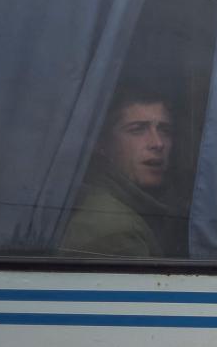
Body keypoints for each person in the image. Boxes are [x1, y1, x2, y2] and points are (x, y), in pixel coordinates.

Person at [59, 84, 189, 258]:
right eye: (137, 130)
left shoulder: (137, 207)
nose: (158, 143)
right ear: (102, 143)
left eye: (165, 130)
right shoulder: (113, 231)